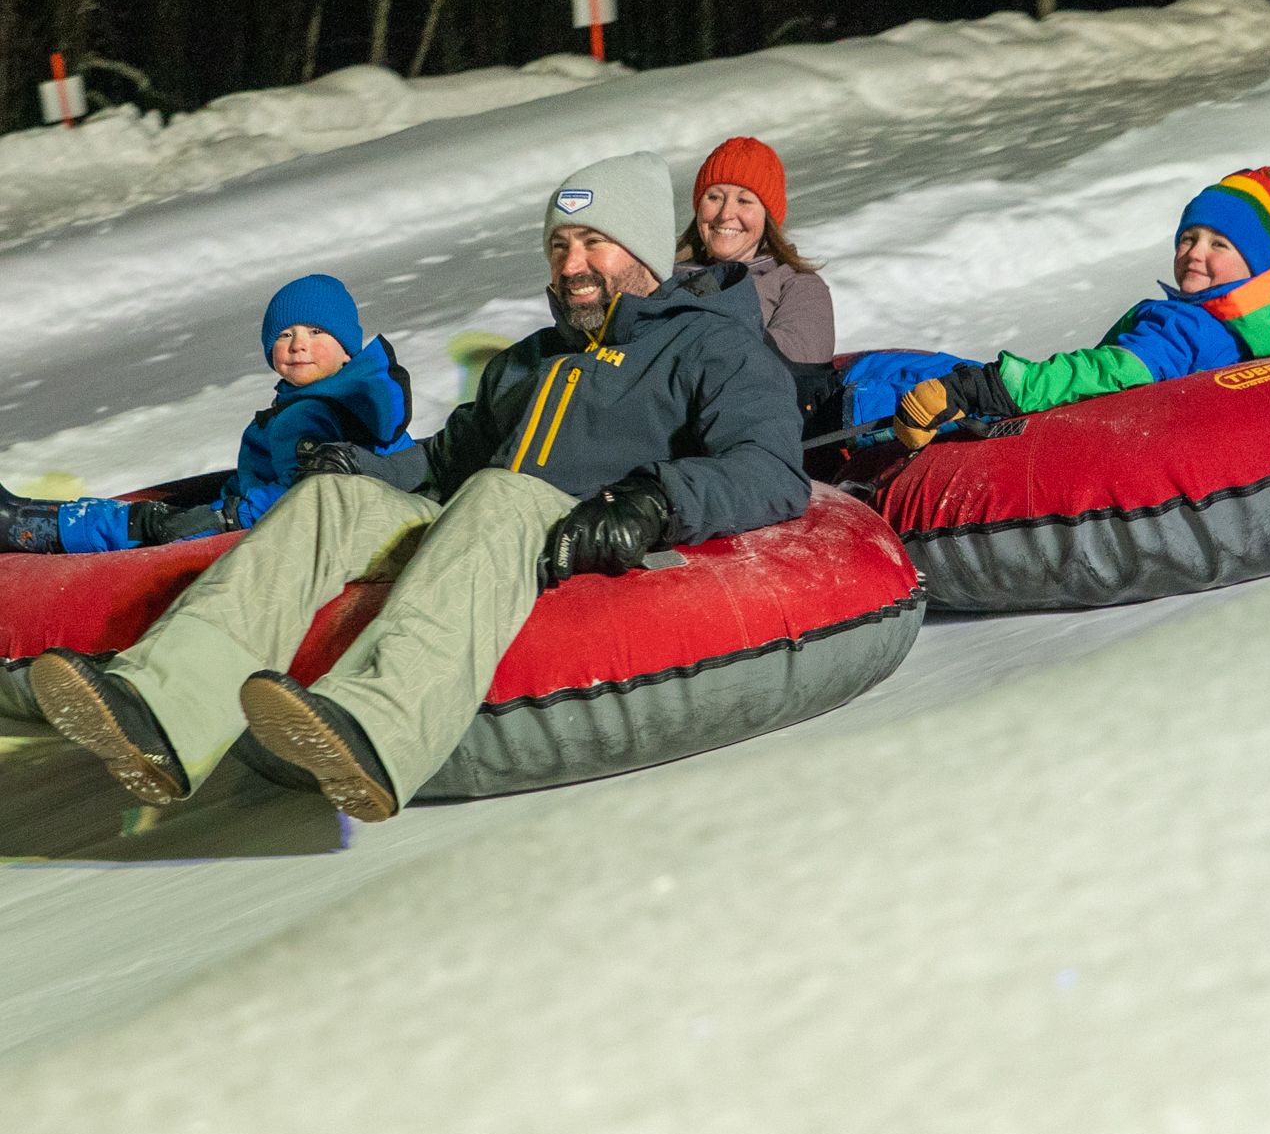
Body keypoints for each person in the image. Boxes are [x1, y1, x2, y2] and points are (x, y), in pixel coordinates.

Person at [31, 152, 810, 821]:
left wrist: (652, 500)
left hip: (584, 534)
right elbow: (449, 456)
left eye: (593, 243)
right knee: (336, 500)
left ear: (638, 248)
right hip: (475, 521)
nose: (571, 264)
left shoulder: (712, 346)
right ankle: (162, 710)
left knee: (501, 494)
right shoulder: (529, 359)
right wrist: (365, 472)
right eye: (558, 244)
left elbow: (770, 469)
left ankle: (376, 726)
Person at [836, 165, 1270, 450]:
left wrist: (992, 386)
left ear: (1257, 264)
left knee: (935, 378)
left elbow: (1111, 372)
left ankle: (845, 417)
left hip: (1102, 443)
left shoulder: (1189, 325)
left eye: (1219, 244)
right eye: (1188, 237)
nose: (1194, 254)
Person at [0, 275, 413, 554]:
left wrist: (222, 516)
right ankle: (36, 515)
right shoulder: (334, 400)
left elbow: (305, 497)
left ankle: (29, 529)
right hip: (263, 509)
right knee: (159, 509)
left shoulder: (317, 414)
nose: (297, 345)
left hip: (278, 530)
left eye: (317, 333)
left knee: (144, 524)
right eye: (285, 334)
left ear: (347, 349)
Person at [676, 135, 836, 423]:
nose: (726, 214)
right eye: (714, 197)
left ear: (767, 217)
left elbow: (787, 375)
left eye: (744, 201)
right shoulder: (662, 276)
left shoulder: (798, 286)